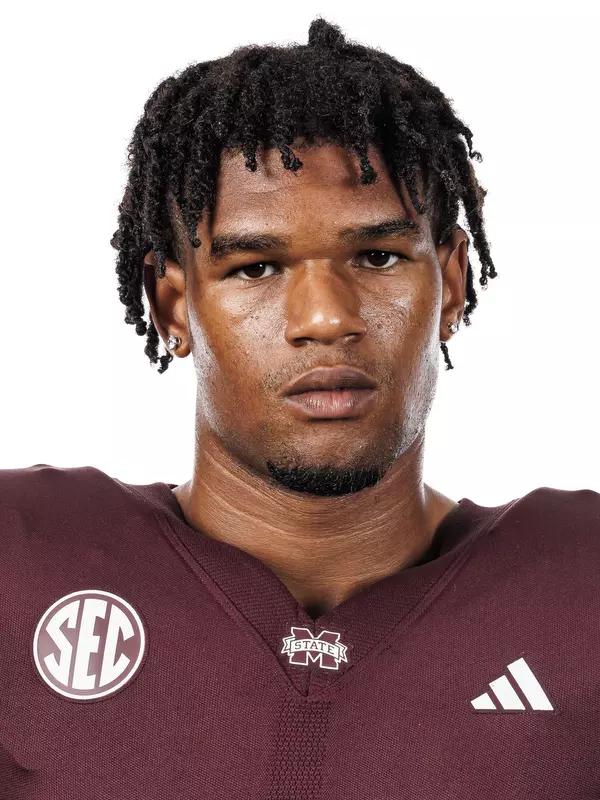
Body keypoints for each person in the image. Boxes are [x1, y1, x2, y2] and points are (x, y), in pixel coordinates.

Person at [2, 16, 598, 800]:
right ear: (172, 307)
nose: (325, 317)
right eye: (255, 268)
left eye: (378, 257)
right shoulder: (23, 558)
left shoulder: (581, 590)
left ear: (450, 284)